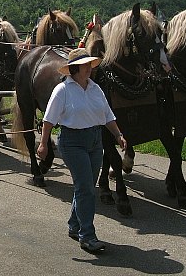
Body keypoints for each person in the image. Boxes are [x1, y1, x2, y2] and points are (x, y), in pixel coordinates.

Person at [36, 48, 127, 253]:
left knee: (85, 185)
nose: (90, 68)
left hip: (95, 142)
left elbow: (108, 115)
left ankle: (74, 224)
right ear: (76, 69)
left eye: (90, 64)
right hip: (72, 142)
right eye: (86, 65)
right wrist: (43, 144)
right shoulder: (63, 90)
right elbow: (48, 120)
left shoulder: (95, 89)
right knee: (86, 187)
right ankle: (87, 235)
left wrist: (118, 135)